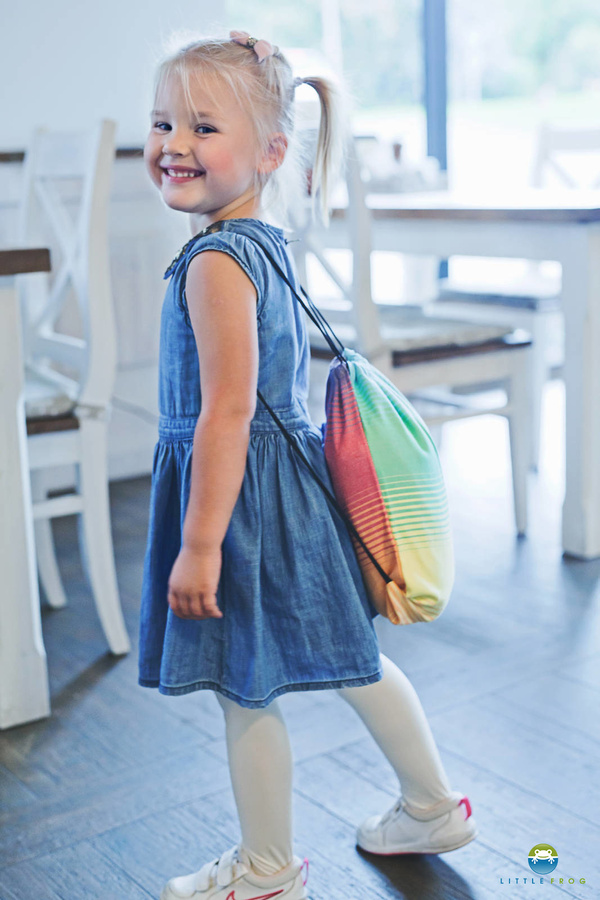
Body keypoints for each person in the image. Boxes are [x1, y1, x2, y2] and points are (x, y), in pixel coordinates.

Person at [137, 29, 479, 900]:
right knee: (354, 657)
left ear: (272, 150)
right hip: (290, 487)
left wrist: (201, 542)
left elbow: (226, 410)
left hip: (240, 501)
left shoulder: (215, 261)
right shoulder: (263, 240)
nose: (175, 144)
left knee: (245, 687)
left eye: (204, 128)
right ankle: (433, 803)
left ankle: (266, 869)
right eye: (163, 122)